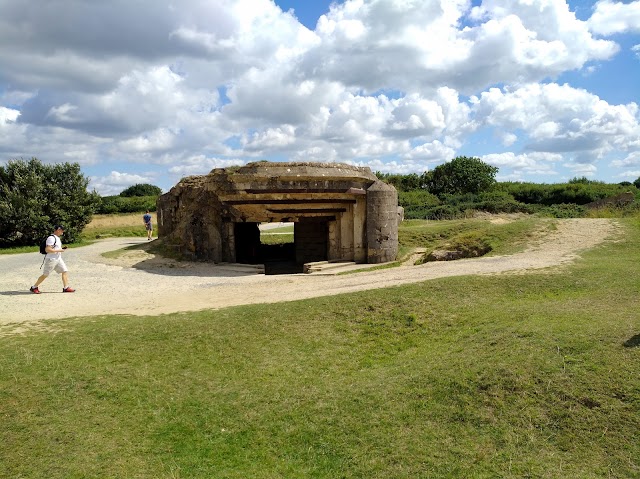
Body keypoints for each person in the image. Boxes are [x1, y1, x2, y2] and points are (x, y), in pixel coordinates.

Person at [30, 225, 75, 294]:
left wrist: (61, 249)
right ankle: (34, 287)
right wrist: (60, 250)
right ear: (58, 230)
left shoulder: (57, 238)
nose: (63, 231)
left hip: (58, 258)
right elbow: (47, 249)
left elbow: (54, 248)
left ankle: (66, 287)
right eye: (62, 230)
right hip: (51, 259)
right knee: (45, 274)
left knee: (64, 271)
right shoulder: (51, 238)